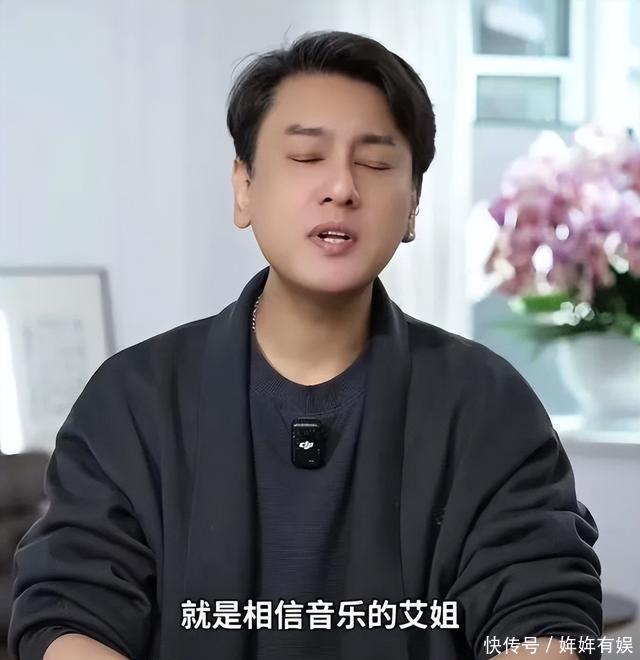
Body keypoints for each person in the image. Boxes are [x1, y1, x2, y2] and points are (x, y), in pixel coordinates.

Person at [8, 30, 602, 660]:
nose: (341, 187)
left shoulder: (487, 404)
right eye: (306, 156)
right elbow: (72, 605)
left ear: (413, 207)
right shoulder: (135, 398)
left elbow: (543, 607)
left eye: (375, 163)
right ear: (244, 187)